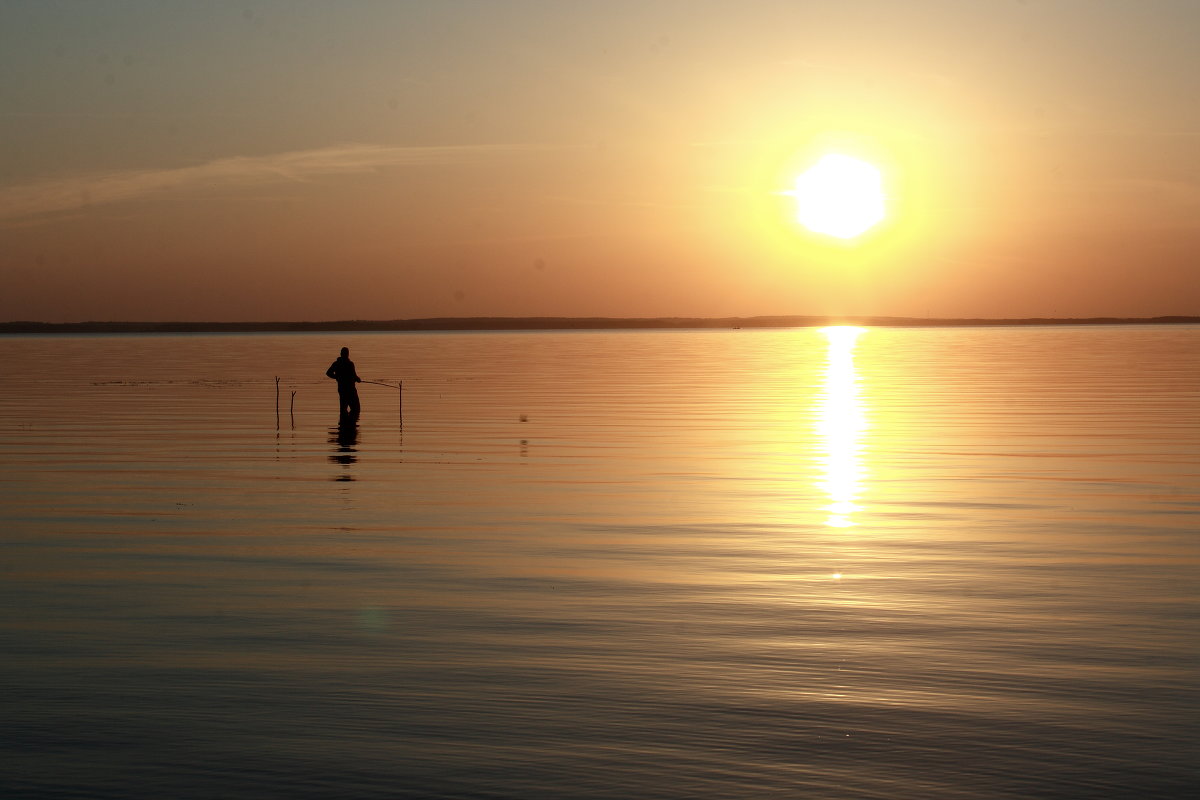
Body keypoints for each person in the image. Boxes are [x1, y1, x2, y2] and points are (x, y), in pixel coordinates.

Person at [326, 346, 362, 419]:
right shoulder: (344, 364)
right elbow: (328, 373)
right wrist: (337, 377)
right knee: (355, 409)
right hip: (349, 390)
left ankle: (344, 427)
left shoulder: (345, 364)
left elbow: (354, 376)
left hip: (344, 390)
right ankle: (349, 426)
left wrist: (357, 379)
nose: (346, 355)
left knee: (345, 409)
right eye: (345, 353)